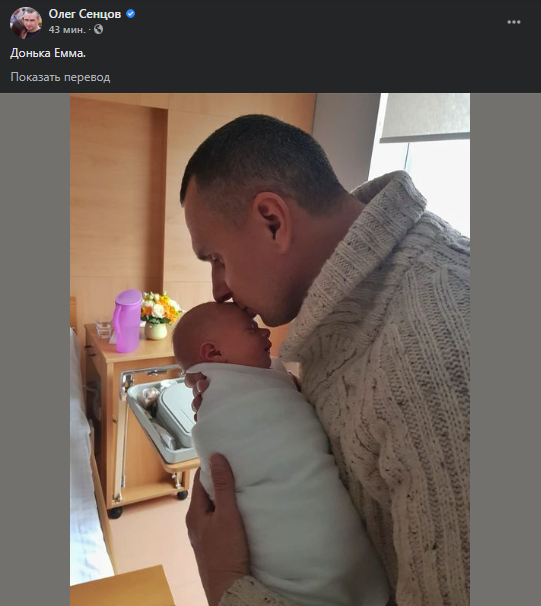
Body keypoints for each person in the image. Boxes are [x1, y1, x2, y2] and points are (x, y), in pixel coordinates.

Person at [180, 114, 470, 606]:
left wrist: (227, 584)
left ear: (272, 221)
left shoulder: (439, 347)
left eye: (217, 259)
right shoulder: (349, 313)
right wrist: (256, 407)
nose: (218, 290)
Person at [172, 301, 390, 606]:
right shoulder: (221, 406)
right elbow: (226, 463)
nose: (264, 332)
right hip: (288, 528)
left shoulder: (262, 378)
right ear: (214, 353)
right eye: (251, 329)